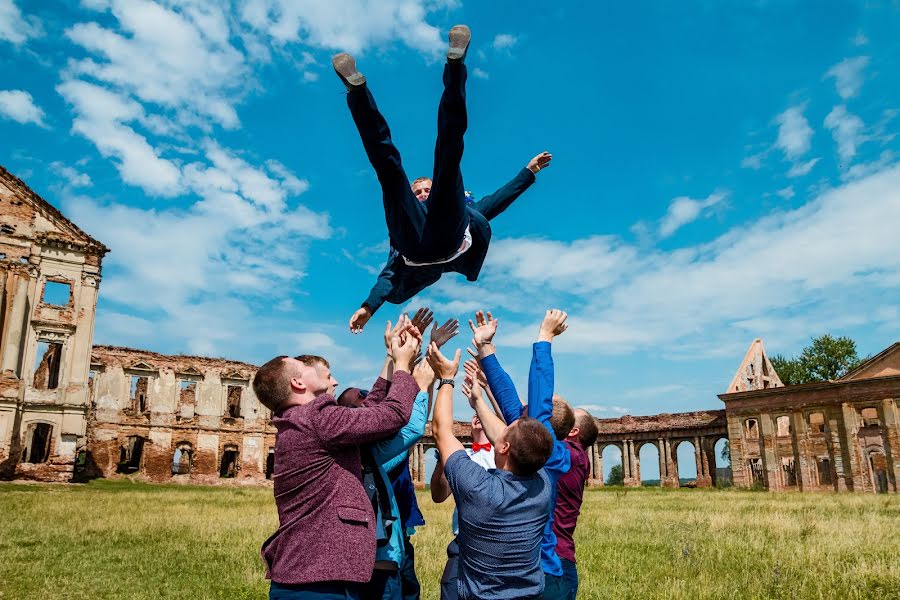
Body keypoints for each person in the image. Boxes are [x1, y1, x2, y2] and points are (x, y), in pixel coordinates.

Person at [332, 25, 552, 333]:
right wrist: (369, 306)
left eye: (425, 189)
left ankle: (455, 66)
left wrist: (528, 173)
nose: (421, 192)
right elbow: (389, 274)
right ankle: (357, 91)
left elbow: (498, 201)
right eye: (418, 190)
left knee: (449, 154)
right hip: (414, 245)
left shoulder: (457, 205)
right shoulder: (410, 212)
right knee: (388, 168)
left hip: (450, 233)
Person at [254, 324, 421, 600]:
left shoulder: (299, 422)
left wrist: (390, 356)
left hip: (304, 577)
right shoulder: (317, 418)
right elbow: (392, 414)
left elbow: (367, 415)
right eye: (302, 365)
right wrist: (403, 366)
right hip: (320, 584)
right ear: (298, 383)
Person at [426, 341, 554, 600]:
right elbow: (507, 440)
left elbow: (441, 431)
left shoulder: (479, 489)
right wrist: (478, 401)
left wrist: (447, 379)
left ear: (504, 446)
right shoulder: (543, 484)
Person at [471, 309, 575, 600]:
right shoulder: (542, 453)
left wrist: (545, 338)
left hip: (535, 577)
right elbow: (508, 400)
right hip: (541, 573)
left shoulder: (546, 452)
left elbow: (538, 400)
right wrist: (485, 349)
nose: (521, 406)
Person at [336, 357, 435, 600]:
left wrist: (399, 358)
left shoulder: (342, 450)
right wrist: (422, 385)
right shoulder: (368, 454)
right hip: (379, 560)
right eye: (363, 398)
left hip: (386, 547)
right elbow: (411, 430)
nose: (372, 403)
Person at [430, 407, 495, 600]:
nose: (477, 415)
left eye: (483, 412)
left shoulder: (504, 453)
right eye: (474, 413)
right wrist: (443, 455)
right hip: (463, 543)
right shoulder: (460, 455)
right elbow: (439, 495)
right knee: (451, 590)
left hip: (494, 541)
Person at [554, 407, 600, 599]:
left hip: (556, 564)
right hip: (558, 560)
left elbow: (522, 421)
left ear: (573, 431)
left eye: (569, 414)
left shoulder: (570, 456)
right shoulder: (573, 456)